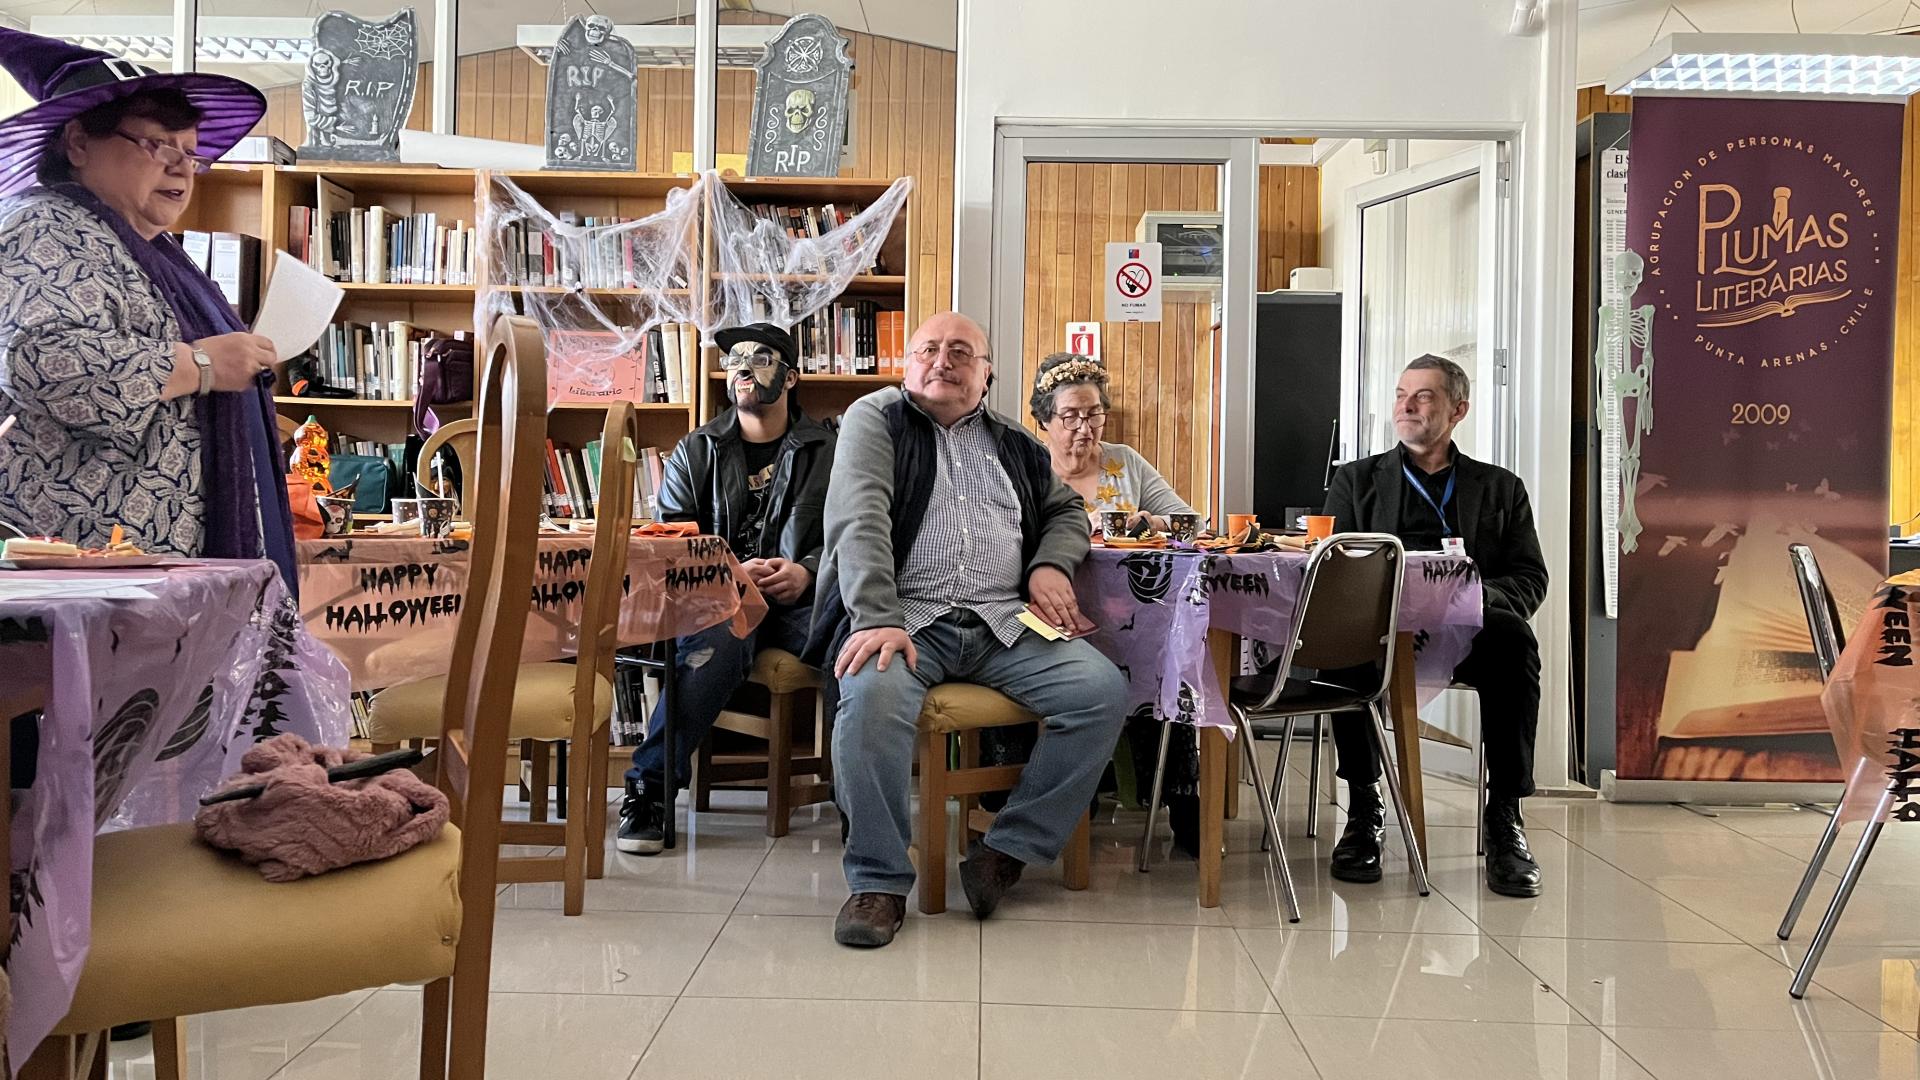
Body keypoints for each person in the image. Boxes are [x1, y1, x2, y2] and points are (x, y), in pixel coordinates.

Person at [808, 312, 1128, 948]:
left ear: (987, 375)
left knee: (1101, 692)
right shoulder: (876, 419)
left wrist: (1046, 565)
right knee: (869, 697)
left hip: (1002, 620)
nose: (942, 360)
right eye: (928, 348)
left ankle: (1005, 851)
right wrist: (875, 617)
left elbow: (1066, 510)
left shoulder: (1015, 442)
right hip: (906, 619)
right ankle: (876, 881)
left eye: (961, 352)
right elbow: (859, 516)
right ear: (907, 363)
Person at [0, 30, 294, 591]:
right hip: (83, 573)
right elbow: (46, 363)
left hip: (141, 570)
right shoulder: (43, 226)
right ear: (78, 143)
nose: (183, 169)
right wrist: (202, 366)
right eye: (159, 146)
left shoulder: (153, 251)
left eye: (191, 152)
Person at [1321, 354, 1548, 898]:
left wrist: (1474, 600)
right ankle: (1364, 807)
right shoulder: (1356, 481)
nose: (1407, 404)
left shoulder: (1500, 488)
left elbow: (1529, 575)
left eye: (1423, 396)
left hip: (1469, 627)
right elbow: (1330, 565)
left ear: (1457, 409)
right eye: (1401, 393)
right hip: (1380, 628)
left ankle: (1504, 815)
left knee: (1515, 642)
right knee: (1339, 647)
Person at [617, 323, 834, 854]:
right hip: (718, 600)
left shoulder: (831, 450)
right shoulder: (697, 450)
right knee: (717, 641)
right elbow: (667, 539)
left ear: (790, 378)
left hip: (800, 602)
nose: (742, 367)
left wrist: (807, 569)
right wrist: (731, 573)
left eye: (760, 358)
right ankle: (650, 790)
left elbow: (854, 532)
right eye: (735, 358)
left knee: (856, 641)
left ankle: (858, 798)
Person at [1027, 351, 1206, 853]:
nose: (1084, 428)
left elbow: (1189, 520)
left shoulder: (1123, 463)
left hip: (1133, 619)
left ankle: (1184, 803)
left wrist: (1155, 523)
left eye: (1094, 414)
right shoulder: (1028, 466)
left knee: (1170, 667)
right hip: (1054, 619)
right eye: (1070, 416)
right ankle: (1067, 802)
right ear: (1043, 420)